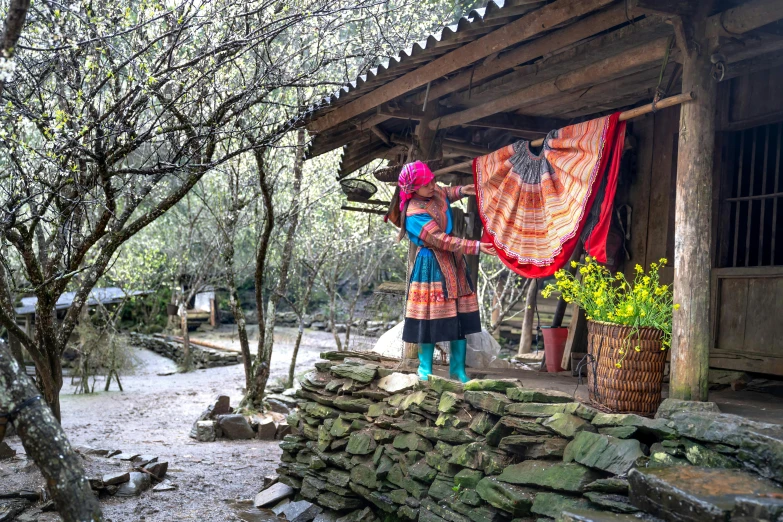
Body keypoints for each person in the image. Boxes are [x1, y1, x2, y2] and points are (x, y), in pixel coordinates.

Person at [396, 161, 497, 382]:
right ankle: (424, 369)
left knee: (458, 314)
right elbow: (441, 240)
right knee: (429, 317)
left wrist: (464, 190)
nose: (433, 185)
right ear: (413, 189)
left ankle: (458, 369)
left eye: (432, 179)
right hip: (430, 265)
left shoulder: (433, 191)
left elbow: (446, 192)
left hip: (453, 263)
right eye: (426, 184)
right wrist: (477, 246)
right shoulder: (414, 214)